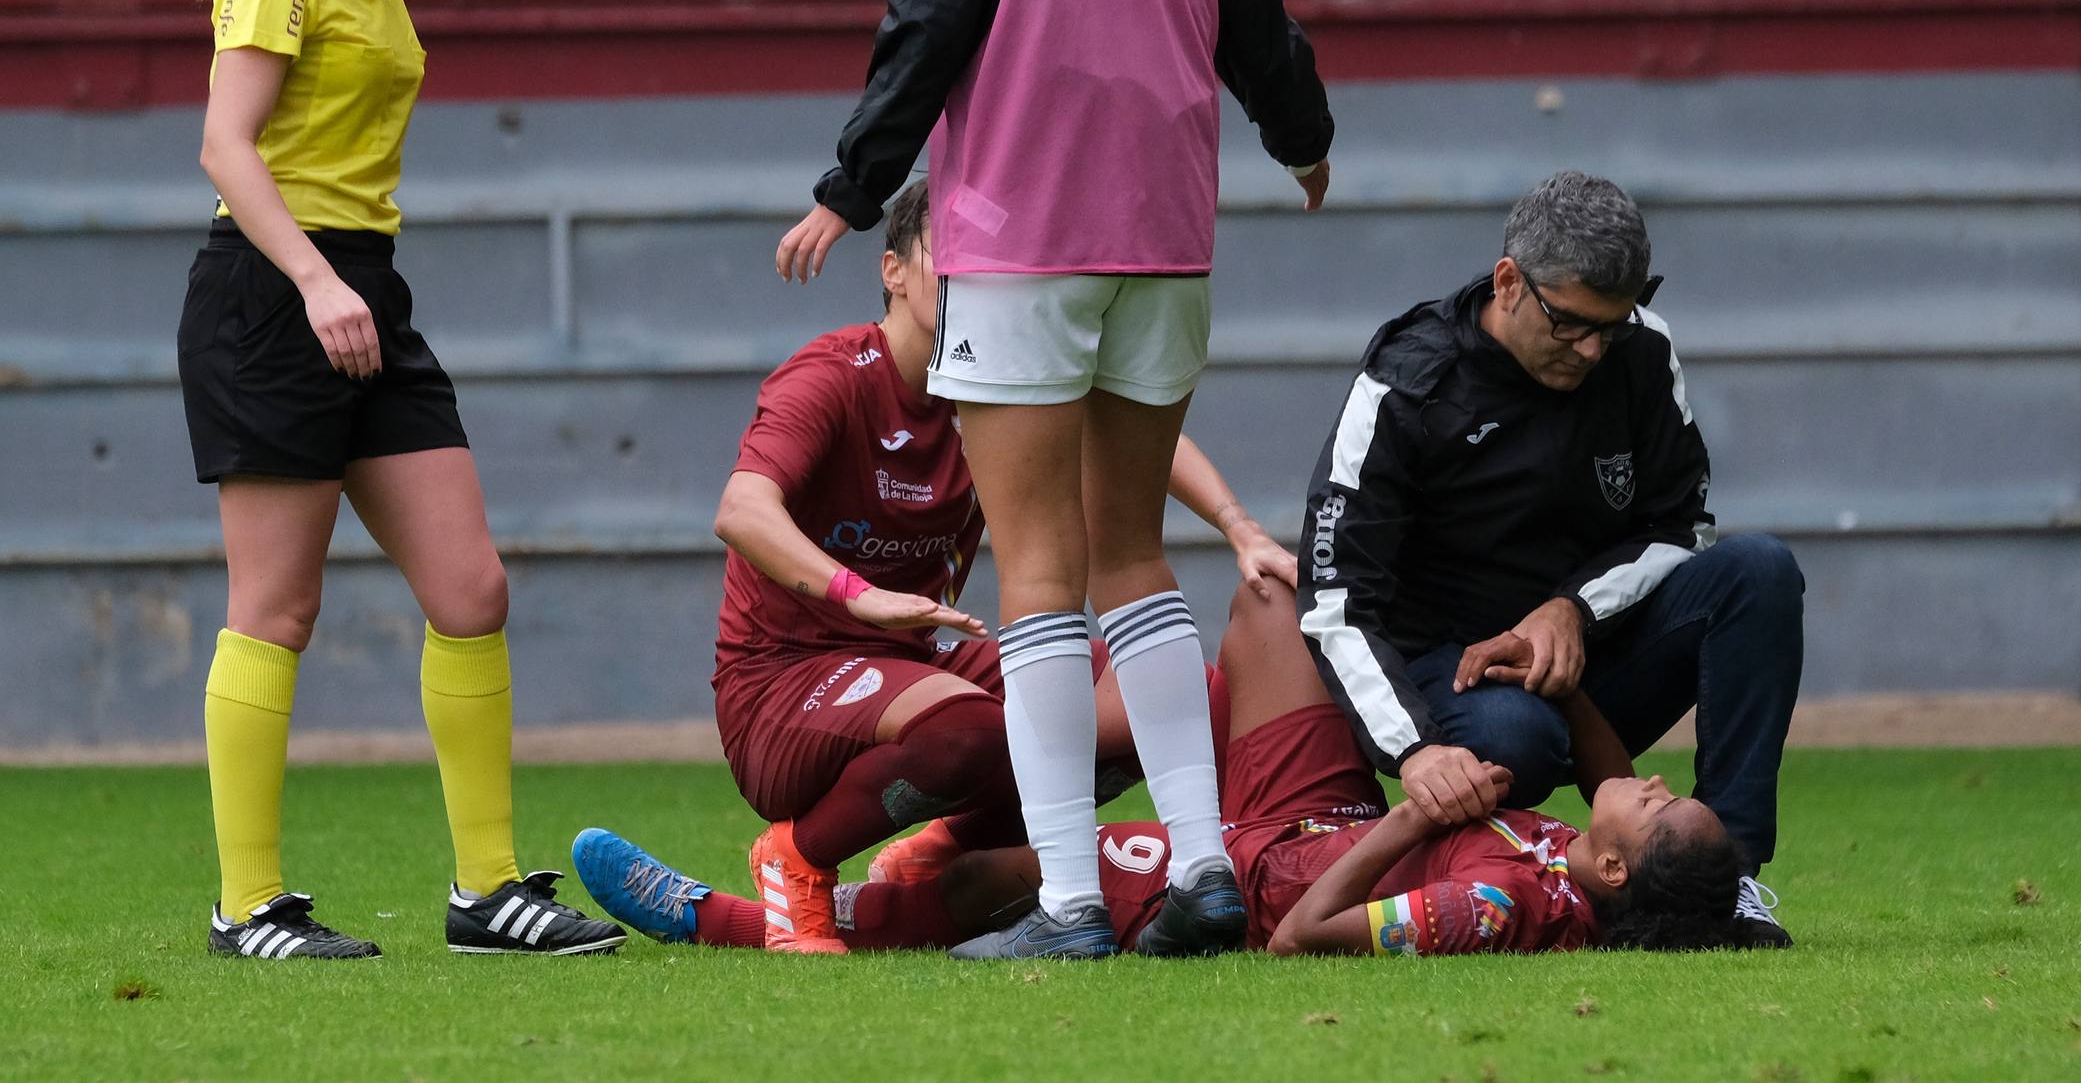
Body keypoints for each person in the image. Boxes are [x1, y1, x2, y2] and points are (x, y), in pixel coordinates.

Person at [772, 0, 1336, 961]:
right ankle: (1202, 870)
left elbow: (929, 15)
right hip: (1167, 239)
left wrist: (851, 185)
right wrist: (1301, 133)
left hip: (1022, 240)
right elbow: (1254, 9)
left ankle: (1070, 904)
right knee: (1133, 558)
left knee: (1037, 580)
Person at [181, 0, 618, 960]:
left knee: (470, 589)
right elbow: (227, 148)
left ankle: (486, 892)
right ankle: (247, 906)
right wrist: (317, 282)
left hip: (363, 289)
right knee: (276, 606)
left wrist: (345, 284)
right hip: (275, 294)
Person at [718, 181, 1297, 953]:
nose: (967, 279)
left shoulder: (996, 382)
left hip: (913, 661)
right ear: (892, 271)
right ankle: (796, 858)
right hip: (782, 680)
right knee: (969, 728)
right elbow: (742, 511)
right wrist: (859, 596)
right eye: (945, 259)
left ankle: (947, 849)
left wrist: (1240, 528)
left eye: (983, 261)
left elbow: (1129, 429)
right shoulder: (830, 375)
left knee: (1176, 700)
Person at [572, 578, 1751, 957]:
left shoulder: (1497, 908)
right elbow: (1604, 766)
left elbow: (1301, 946)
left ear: (1604, 867)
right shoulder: (1586, 857)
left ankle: (732, 921)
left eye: (1654, 806)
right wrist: (1565, 661)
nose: (1651, 781)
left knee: (1006, 880)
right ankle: (1002, 780)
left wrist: (1410, 820)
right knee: (1270, 605)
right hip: (1321, 807)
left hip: (1278, 879)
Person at [1294, 171, 1803, 945]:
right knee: (1516, 736)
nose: (1593, 348)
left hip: (1592, 656)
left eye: (1612, 323)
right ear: (1508, 282)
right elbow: (1333, 599)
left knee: (1759, 573)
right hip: (1453, 675)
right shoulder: (1406, 385)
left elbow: (1682, 523)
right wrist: (1417, 750)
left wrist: (1571, 608)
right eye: (1569, 324)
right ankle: (1495, 878)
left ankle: (1722, 881)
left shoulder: (1641, 347)